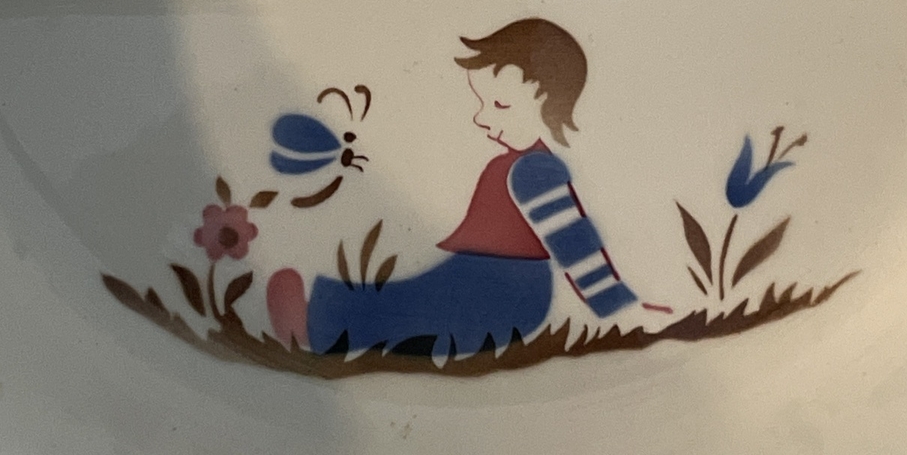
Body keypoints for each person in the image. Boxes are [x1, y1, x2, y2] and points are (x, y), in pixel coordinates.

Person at [265, 19, 641, 357]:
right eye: (482, 102)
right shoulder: (511, 165)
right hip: (477, 278)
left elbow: (573, 242)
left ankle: (319, 323)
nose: (481, 117)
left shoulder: (534, 170)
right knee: (408, 300)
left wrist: (615, 304)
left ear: (547, 103)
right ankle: (321, 318)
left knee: (408, 308)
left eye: (499, 104)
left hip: (505, 292)